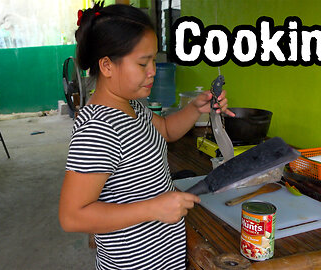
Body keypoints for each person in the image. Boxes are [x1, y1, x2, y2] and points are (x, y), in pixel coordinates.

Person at [59, 3, 234, 269]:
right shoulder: (98, 128)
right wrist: (152, 208)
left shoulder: (132, 106)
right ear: (106, 65)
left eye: (153, 60)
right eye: (143, 63)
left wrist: (194, 109)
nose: (152, 70)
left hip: (162, 259)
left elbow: (164, 130)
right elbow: (72, 216)